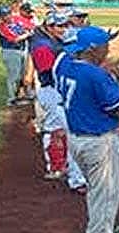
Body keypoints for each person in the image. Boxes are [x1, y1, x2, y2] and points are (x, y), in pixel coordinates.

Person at [55, 26, 119, 233]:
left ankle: (100, 227)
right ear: (91, 49)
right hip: (96, 141)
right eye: (105, 45)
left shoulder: (65, 64)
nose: (108, 49)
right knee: (106, 192)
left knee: (97, 190)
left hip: (77, 138)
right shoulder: (95, 75)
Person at [30, 11, 87, 192]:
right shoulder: (43, 46)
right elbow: (50, 72)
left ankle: (55, 167)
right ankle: (75, 178)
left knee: (55, 127)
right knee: (68, 131)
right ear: (49, 27)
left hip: (53, 90)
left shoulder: (52, 42)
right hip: (52, 91)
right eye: (59, 26)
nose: (63, 29)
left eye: (65, 26)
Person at [0, 5, 33, 106]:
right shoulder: (1, 27)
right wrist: (27, 34)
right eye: (4, 15)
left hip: (22, 50)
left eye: (8, 14)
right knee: (13, 76)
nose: (7, 16)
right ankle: (11, 99)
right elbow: (14, 39)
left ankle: (28, 94)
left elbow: (29, 26)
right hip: (10, 52)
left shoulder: (17, 19)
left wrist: (28, 31)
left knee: (24, 73)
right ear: (1, 17)